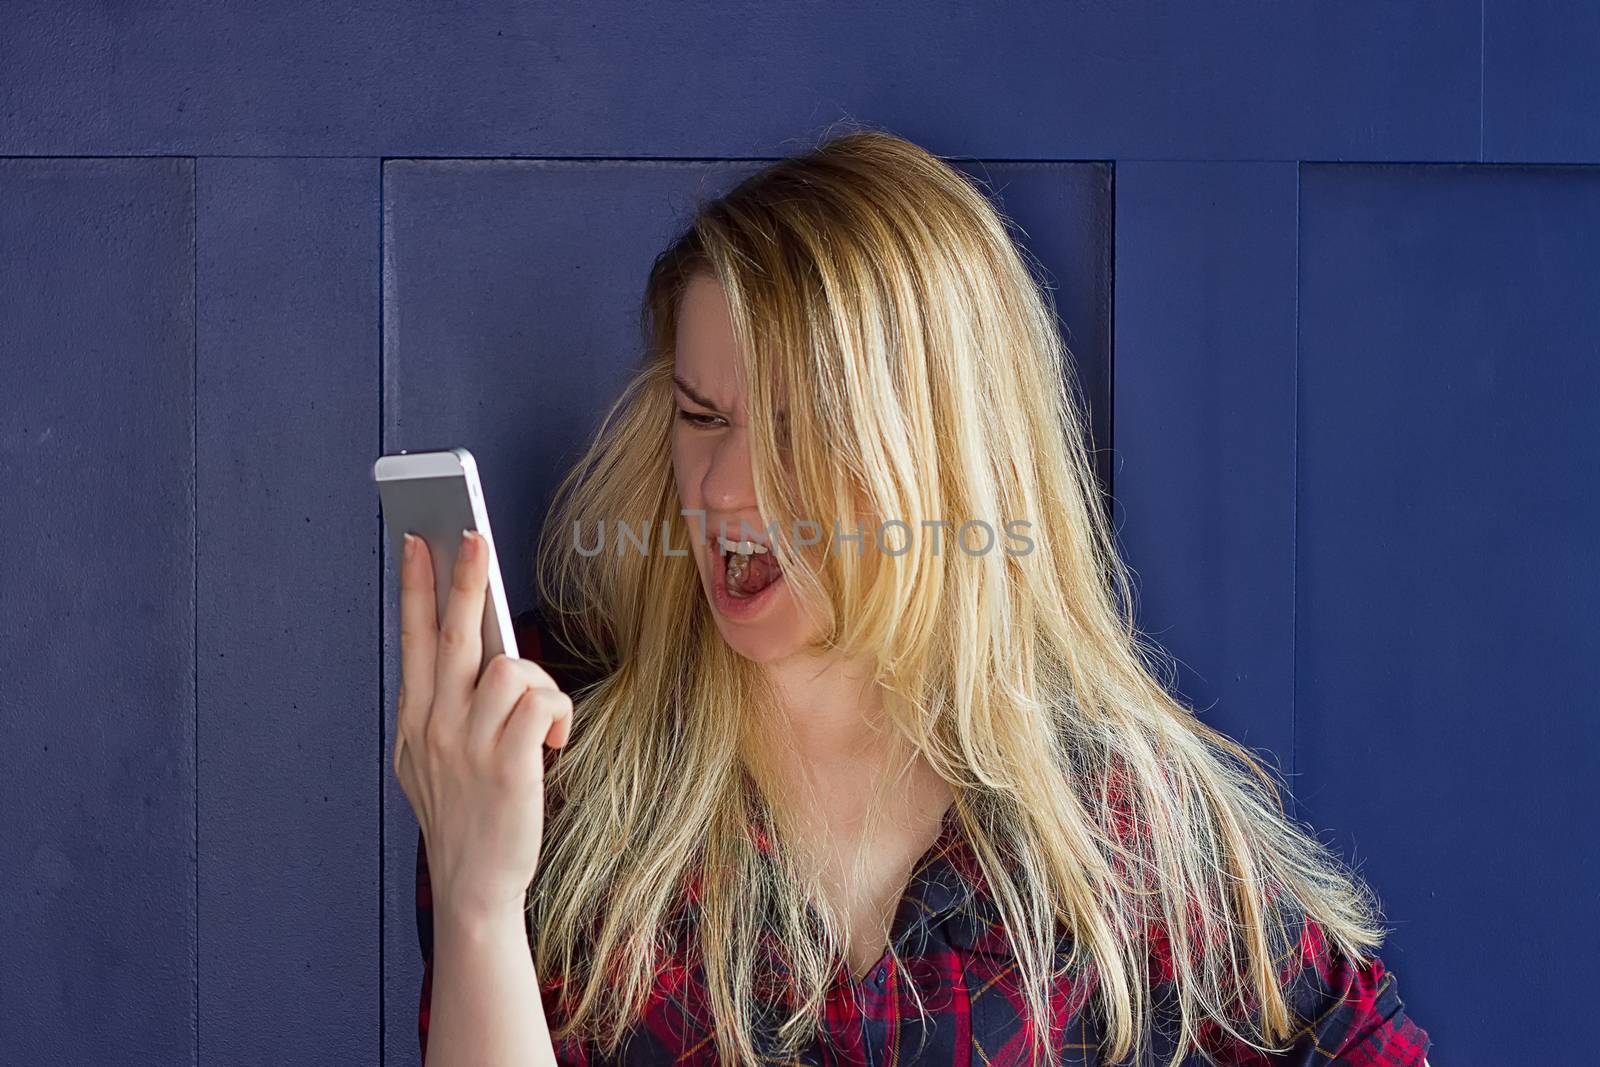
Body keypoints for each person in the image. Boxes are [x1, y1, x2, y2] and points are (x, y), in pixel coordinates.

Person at [393, 127, 1433, 1066]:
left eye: (798, 433)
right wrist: (480, 903)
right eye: (703, 417)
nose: (720, 490)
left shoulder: (1104, 811)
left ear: (939, 454)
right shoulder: (554, 747)